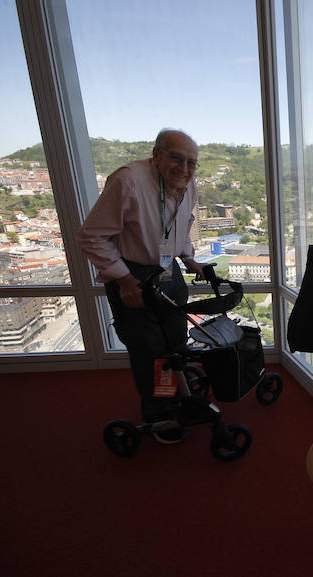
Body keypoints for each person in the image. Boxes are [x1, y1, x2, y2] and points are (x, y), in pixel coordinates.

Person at [77, 128, 206, 444]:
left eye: (191, 163)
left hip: (167, 268)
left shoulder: (188, 187)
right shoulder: (127, 182)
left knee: (174, 342)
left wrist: (188, 258)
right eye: (176, 158)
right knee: (150, 351)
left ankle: (172, 394)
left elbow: (180, 228)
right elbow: (91, 236)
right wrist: (124, 280)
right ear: (156, 155)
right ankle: (158, 415)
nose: (184, 169)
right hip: (131, 274)